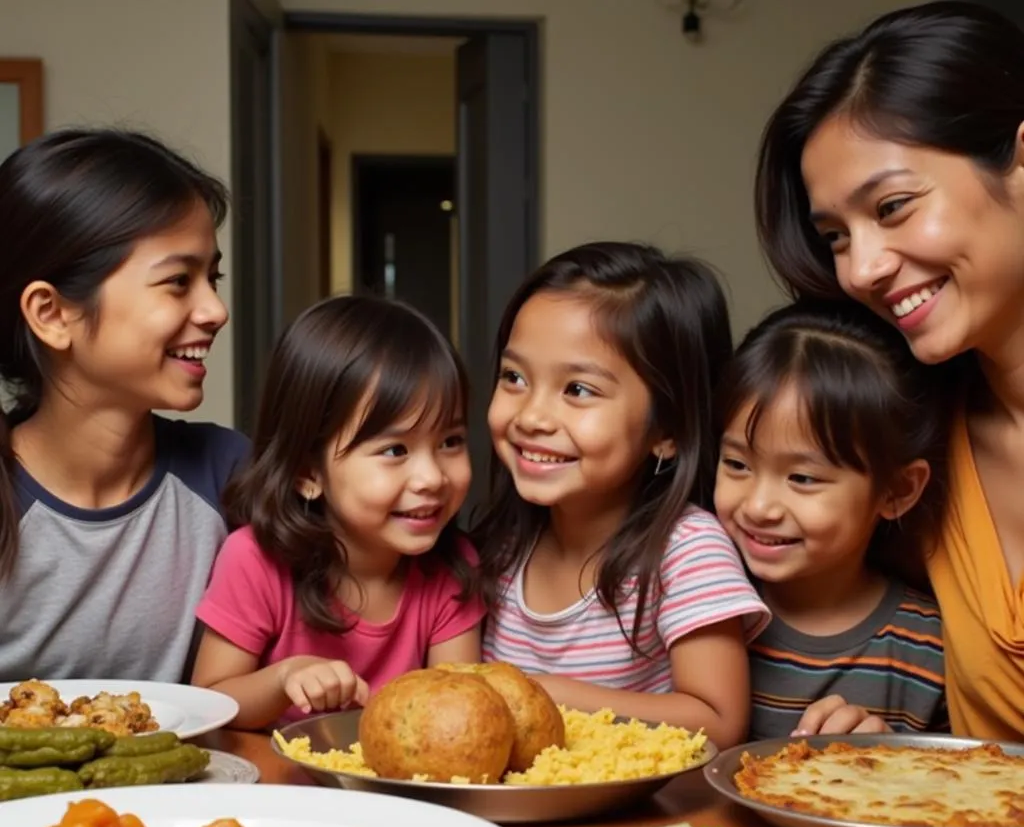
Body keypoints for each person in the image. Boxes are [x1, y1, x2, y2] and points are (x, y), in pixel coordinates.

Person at [755, 0, 1024, 740]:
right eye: (836, 236)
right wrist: (895, 756)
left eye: (895, 205)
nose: (863, 269)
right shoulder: (910, 438)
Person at [475, 241, 768, 749]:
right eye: (514, 377)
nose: (532, 417)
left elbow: (718, 721)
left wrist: (545, 693)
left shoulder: (686, 550)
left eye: (578, 390)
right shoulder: (500, 549)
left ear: (668, 429)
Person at [0, 128, 248, 684]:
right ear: (52, 314)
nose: (215, 310)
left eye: (213, 278)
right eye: (178, 281)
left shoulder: (229, 475)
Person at [191, 295, 484, 729]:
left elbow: (461, 709)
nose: (431, 477)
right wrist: (283, 678)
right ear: (309, 472)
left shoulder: (451, 568)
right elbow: (210, 701)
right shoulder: (255, 560)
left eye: (450, 442)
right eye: (395, 449)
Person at [714, 301, 948, 740]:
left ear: (896, 491)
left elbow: (960, 790)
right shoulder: (695, 607)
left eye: (802, 477)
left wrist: (888, 758)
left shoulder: (933, 650)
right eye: (737, 465)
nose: (760, 505)